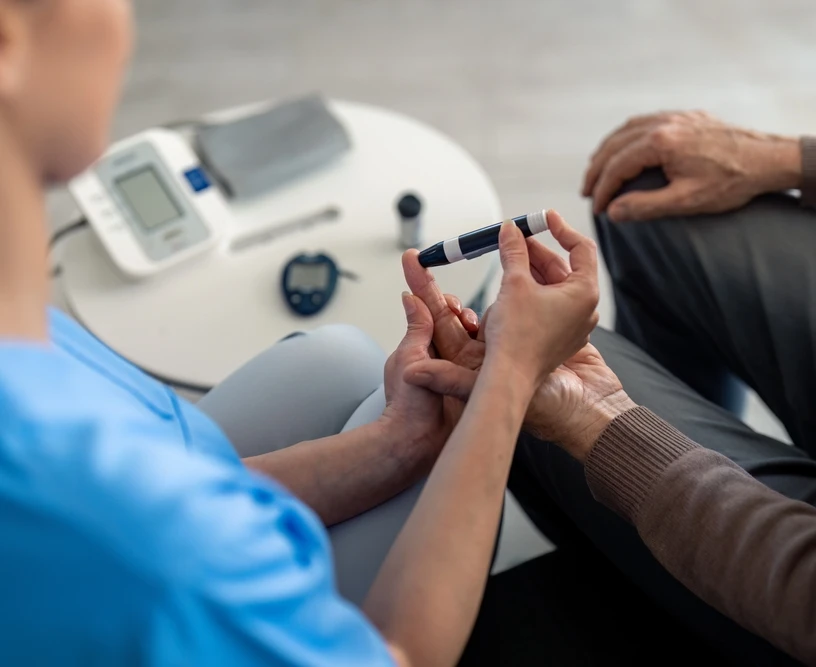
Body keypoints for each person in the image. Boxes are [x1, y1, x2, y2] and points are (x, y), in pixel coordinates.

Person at [0, 1, 603, 665]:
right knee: (439, 424)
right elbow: (399, 654)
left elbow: (189, 480)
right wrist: (510, 377)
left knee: (341, 361)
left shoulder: (35, 361)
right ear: (7, 45)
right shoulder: (132, 534)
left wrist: (393, 445)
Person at [402, 2, 816, 665]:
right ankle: (692, 489)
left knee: (510, 381)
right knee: (650, 192)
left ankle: (656, 580)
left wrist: (600, 424)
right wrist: (790, 159)